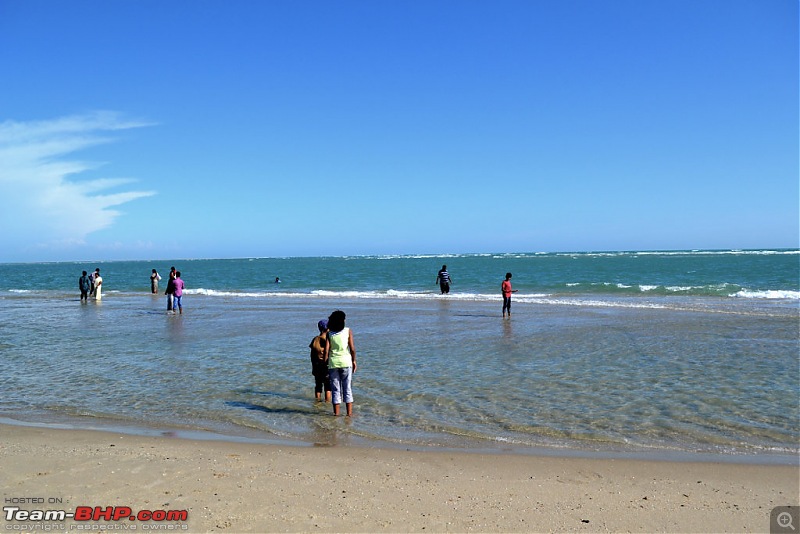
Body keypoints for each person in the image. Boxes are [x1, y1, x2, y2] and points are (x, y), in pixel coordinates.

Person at [323, 310, 357, 416]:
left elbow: (327, 351)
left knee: (336, 390)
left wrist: (325, 364)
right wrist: (354, 360)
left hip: (333, 363)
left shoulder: (329, 334)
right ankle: (349, 414)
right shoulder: (348, 331)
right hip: (346, 362)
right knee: (347, 388)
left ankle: (336, 414)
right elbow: (352, 348)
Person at [309, 319, 332, 403]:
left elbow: (312, 355)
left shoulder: (315, 340)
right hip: (326, 365)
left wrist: (313, 367)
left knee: (318, 386)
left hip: (317, 366)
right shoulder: (329, 340)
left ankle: (317, 402)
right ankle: (327, 402)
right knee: (328, 387)